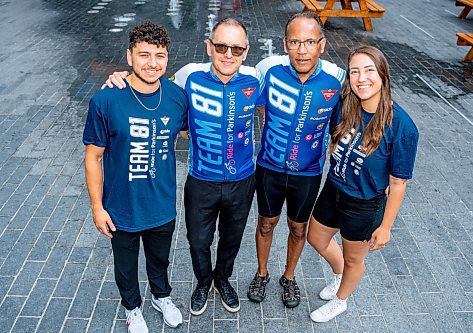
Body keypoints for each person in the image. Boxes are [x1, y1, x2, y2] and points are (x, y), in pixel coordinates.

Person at [104, 18, 265, 316]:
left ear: (245, 52)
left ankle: (222, 280)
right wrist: (122, 76)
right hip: (201, 179)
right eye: (221, 46)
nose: (228, 54)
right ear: (209, 46)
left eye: (236, 48)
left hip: (243, 179)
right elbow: (152, 83)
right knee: (198, 240)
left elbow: (274, 102)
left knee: (232, 238)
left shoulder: (256, 78)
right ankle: (203, 282)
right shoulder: (189, 76)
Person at [83, 21, 187, 333]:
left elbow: (185, 132)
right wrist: (97, 207)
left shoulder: (177, 97)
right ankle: (132, 308)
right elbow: (93, 156)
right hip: (122, 207)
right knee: (125, 268)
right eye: (144, 55)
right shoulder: (106, 100)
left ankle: (161, 296)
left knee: (160, 260)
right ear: (129, 56)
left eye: (160, 55)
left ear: (167, 58)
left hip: (162, 202)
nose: (152, 63)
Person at [307, 45, 419, 322]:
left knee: (355, 259)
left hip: (364, 203)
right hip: (334, 188)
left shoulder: (402, 126)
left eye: (369, 70)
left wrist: (386, 227)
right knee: (316, 238)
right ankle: (339, 275)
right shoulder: (347, 106)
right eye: (355, 71)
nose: (361, 78)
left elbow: (399, 182)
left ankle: (341, 300)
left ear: (383, 75)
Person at [247, 12, 346, 308]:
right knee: (266, 224)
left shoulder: (336, 83)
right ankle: (262, 273)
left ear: (322, 45)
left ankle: (288, 277)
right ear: (285, 44)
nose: (302, 50)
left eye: (309, 42)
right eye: (295, 42)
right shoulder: (270, 74)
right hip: (269, 168)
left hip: (308, 172)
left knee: (297, 228)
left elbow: (344, 126)